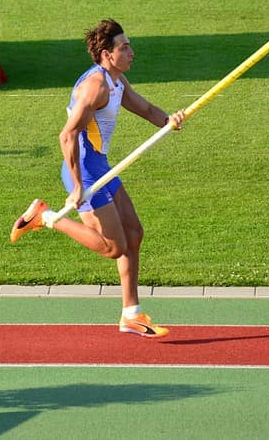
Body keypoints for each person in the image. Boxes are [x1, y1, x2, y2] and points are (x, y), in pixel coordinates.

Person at [11, 19, 185, 338]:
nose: (132, 51)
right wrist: (77, 186)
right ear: (107, 54)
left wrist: (168, 120)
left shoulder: (117, 82)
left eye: (129, 45)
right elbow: (67, 136)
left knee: (133, 234)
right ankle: (45, 217)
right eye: (124, 47)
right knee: (113, 248)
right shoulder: (96, 87)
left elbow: (145, 109)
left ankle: (131, 314)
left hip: (101, 166)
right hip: (86, 171)